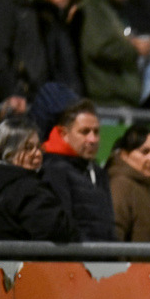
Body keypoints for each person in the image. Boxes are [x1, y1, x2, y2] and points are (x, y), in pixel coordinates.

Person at [40, 99, 115, 241]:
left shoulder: (98, 172)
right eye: (85, 132)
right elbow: (62, 228)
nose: (92, 139)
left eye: (96, 132)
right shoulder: (54, 170)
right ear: (63, 134)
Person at [80, 0, 150, 107]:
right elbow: (98, 47)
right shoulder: (93, 9)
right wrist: (134, 47)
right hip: (105, 103)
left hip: (119, 103)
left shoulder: (115, 14)